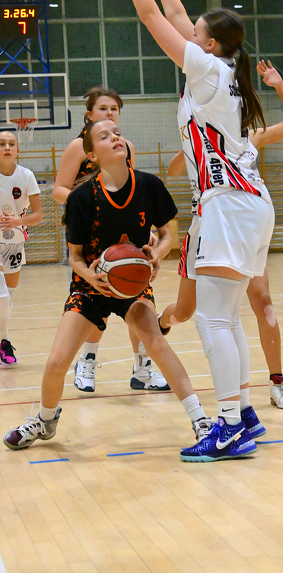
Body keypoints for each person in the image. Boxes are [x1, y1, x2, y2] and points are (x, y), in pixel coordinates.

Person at [106, 0, 276, 462]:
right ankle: (243, 412)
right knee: (225, 315)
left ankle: (227, 427)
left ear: (209, 44)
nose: (188, 28)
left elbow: (153, 17)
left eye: (197, 30)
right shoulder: (219, 67)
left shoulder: (207, 70)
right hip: (241, 203)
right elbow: (177, 15)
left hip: (229, 202)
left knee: (212, 319)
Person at [4, 119, 213, 451]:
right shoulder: (81, 198)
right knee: (57, 362)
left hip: (133, 286)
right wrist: (92, 276)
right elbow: (75, 257)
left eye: (118, 133)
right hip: (90, 286)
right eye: (104, 136)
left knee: (156, 343)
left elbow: (167, 236)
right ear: (92, 155)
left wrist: (157, 253)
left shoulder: (149, 185)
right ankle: (45, 421)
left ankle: (201, 420)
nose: (115, 137)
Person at [160, 60, 283, 409]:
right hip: (208, 225)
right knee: (186, 312)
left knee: (262, 302)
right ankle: (161, 322)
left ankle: (276, 382)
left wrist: (278, 85)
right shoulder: (201, 134)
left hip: (241, 225)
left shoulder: (251, 136)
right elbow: (173, 169)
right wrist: (195, 141)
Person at [53, 86, 169, 393]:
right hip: (92, 235)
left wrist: (147, 227)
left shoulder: (125, 146)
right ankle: (87, 360)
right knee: (96, 300)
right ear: (89, 114)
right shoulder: (79, 146)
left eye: (114, 109)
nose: (109, 113)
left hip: (125, 238)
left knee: (138, 296)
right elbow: (59, 189)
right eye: (103, 108)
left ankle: (142, 367)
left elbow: (133, 191)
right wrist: (90, 203)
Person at [0, 130, 42, 367]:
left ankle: (1, 339)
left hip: (15, 241)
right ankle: (4, 341)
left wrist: (18, 221)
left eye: (11, 144)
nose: (7, 147)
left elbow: (38, 215)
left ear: (18, 149)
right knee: (2, 295)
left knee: (8, 298)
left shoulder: (26, 175)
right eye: (1, 143)